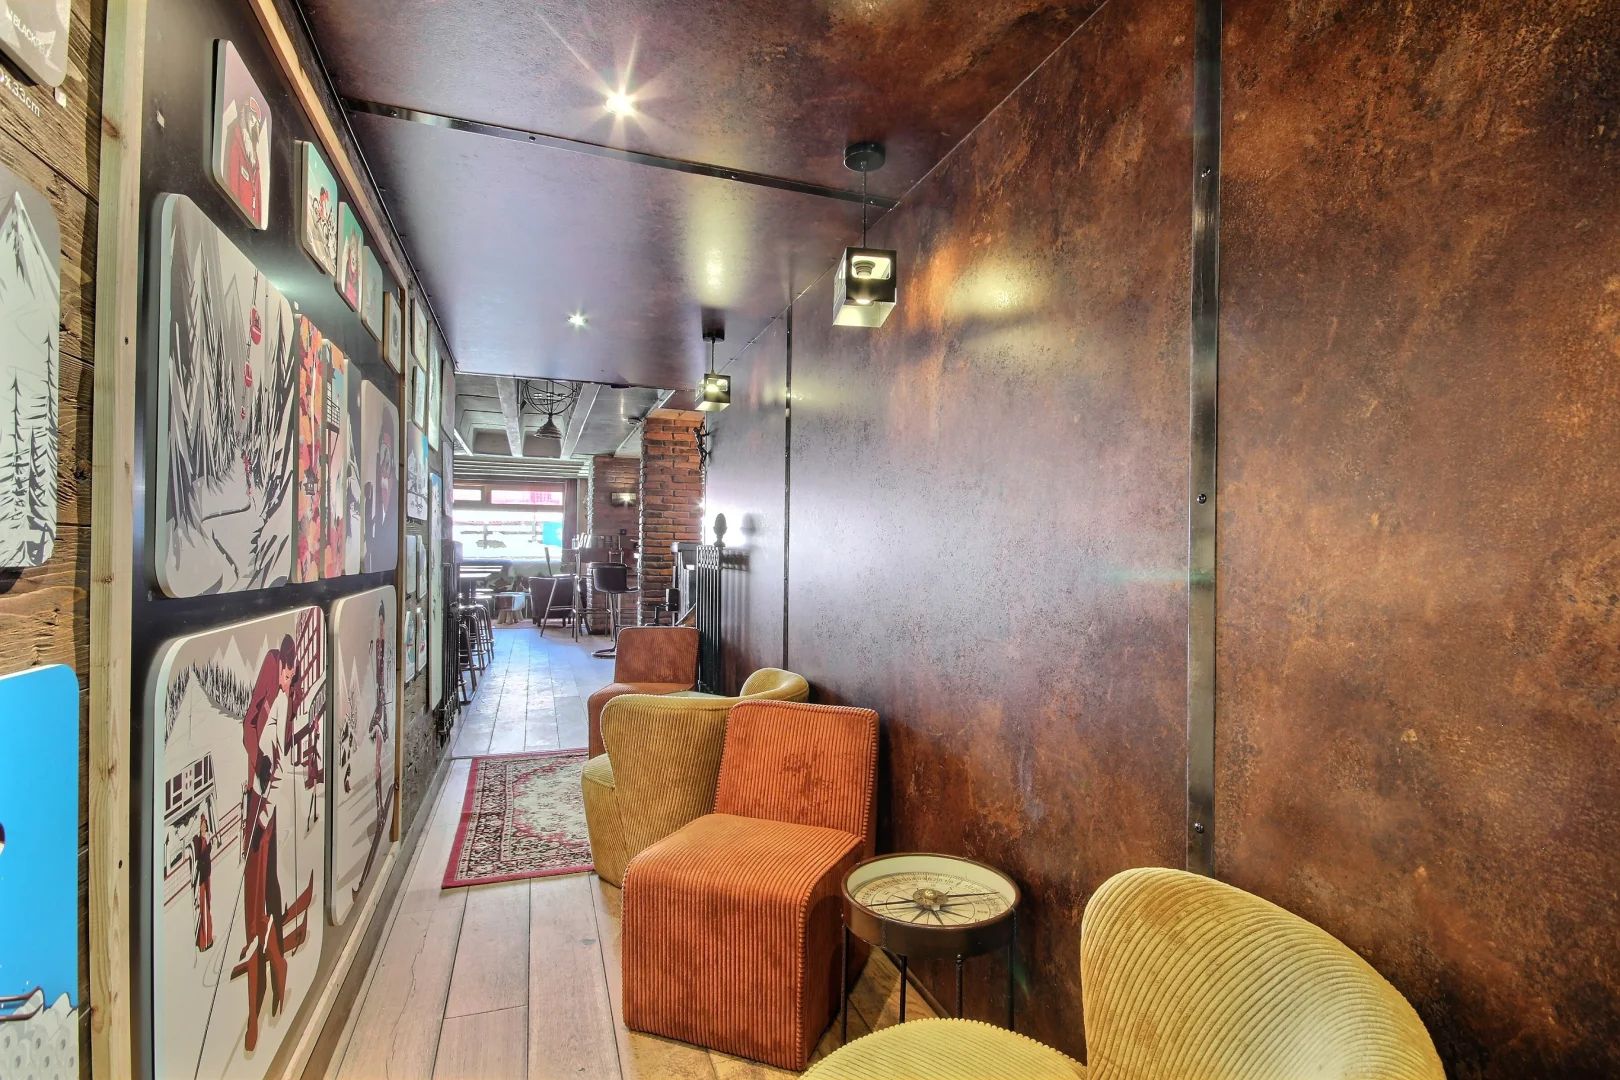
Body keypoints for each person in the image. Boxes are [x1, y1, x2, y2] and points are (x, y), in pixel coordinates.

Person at [224, 95, 266, 224]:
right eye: (252, 117)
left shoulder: (255, 158)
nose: (253, 123)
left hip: (249, 220)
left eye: (256, 120)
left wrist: (257, 223)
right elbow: (231, 177)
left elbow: (258, 196)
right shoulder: (237, 138)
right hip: (236, 216)